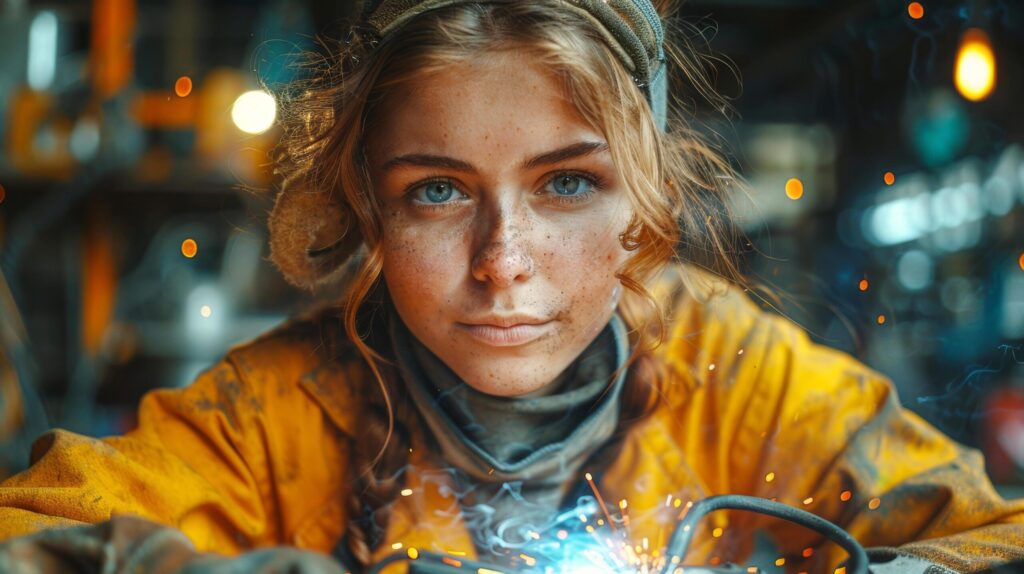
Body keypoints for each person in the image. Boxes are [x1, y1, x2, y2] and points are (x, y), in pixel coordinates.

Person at [1, 1, 1023, 573]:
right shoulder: (279, 413)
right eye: (438, 191)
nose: (503, 262)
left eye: (567, 183)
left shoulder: (725, 366)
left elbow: (994, 529)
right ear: (366, 204)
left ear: (642, 205)